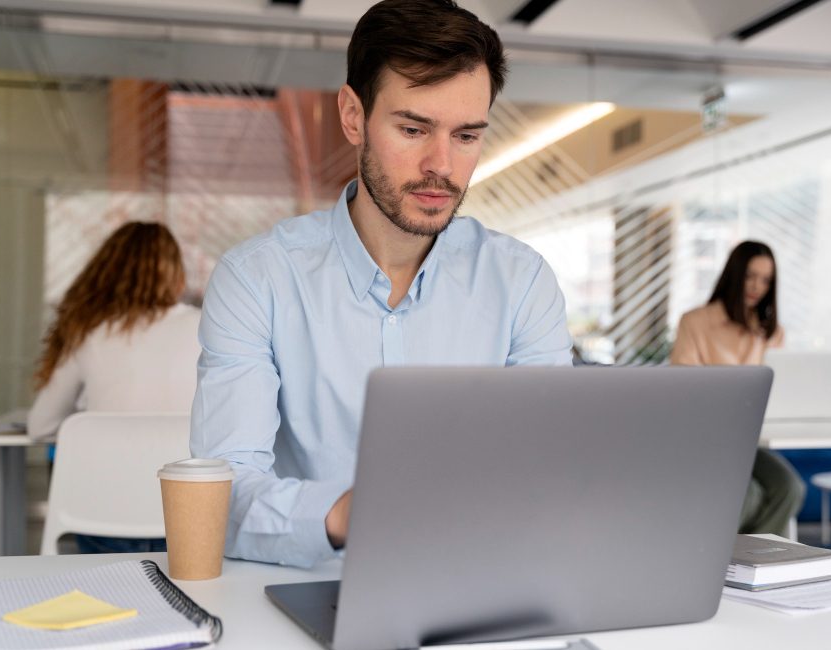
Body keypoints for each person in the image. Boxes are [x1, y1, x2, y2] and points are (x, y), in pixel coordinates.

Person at [190, 0, 572, 568]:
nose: (441, 164)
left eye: (466, 136)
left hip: (477, 582)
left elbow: (549, 471)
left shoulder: (522, 282)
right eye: (413, 129)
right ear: (353, 116)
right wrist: (352, 513)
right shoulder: (258, 280)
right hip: (309, 585)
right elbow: (217, 496)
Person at [28, 221, 201, 552]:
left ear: (105, 273)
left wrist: (94, 418)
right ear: (176, 273)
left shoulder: (87, 331)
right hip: (189, 513)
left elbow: (41, 426)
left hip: (102, 513)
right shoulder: (206, 327)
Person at [669, 240, 805, 538]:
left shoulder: (771, 332)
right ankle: (723, 559)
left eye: (766, 280)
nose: (757, 286)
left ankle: (756, 558)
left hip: (751, 439)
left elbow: (781, 392)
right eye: (750, 276)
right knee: (750, 496)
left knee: (790, 488)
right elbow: (681, 392)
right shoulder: (696, 322)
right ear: (734, 274)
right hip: (706, 439)